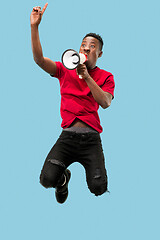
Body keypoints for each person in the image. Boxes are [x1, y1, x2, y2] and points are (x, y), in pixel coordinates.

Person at [30, 3, 115, 204]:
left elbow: (105, 102)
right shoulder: (64, 70)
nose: (86, 47)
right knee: (46, 179)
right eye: (83, 44)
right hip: (67, 137)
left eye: (92, 45)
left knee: (99, 188)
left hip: (91, 140)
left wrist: (87, 77)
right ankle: (63, 179)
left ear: (99, 54)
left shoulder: (106, 76)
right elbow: (40, 60)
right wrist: (35, 27)